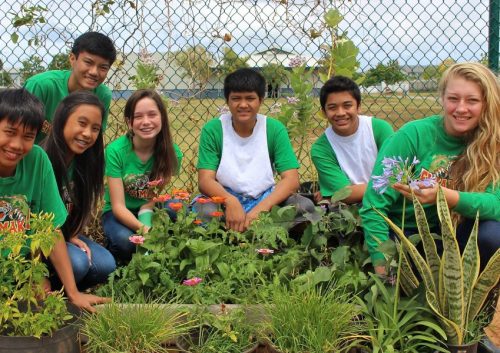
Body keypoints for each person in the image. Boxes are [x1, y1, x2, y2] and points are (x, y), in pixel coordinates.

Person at [360, 62, 500, 274]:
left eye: (472, 100)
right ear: (443, 98)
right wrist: (383, 268)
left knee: (492, 234)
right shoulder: (412, 136)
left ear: (486, 103)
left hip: (452, 235)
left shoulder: (492, 143)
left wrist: (444, 196)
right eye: (453, 99)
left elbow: (496, 205)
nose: (461, 108)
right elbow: (374, 205)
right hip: (404, 233)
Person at [0, 88, 109, 311]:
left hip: (22, 266)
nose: (17, 145)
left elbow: (50, 228)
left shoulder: (37, 160)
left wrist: (72, 292)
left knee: (100, 264)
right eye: (9, 132)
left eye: (28, 136)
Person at [196, 68, 315, 232]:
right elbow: (205, 180)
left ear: (261, 100)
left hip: (264, 198)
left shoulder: (274, 129)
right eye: (236, 98)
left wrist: (261, 209)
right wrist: (230, 201)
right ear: (227, 101)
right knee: (205, 211)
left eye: (250, 98)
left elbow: (291, 179)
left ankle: (266, 238)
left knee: (303, 207)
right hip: (224, 198)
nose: (243, 104)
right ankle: (233, 240)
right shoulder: (213, 129)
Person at [42, 91, 116, 290]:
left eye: (95, 128)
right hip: (38, 241)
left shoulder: (86, 163)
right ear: (62, 121)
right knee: (78, 264)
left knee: (105, 265)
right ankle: (48, 287)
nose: (87, 134)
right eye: (81, 123)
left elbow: (78, 209)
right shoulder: (42, 161)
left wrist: (72, 234)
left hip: (64, 234)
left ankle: (64, 289)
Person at [102, 89, 182, 262]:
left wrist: (146, 218)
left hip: (149, 207)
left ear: (162, 117)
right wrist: (146, 231)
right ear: (129, 122)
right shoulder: (115, 151)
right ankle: (114, 250)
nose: (146, 122)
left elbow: (151, 198)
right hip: (118, 212)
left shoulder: (173, 153)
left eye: (152, 114)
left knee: (180, 208)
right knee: (126, 242)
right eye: (138, 116)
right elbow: (118, 207)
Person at [311, 75, 393, 204]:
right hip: (352, 210)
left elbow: (394, 175)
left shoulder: (379, 129)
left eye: (347, 105)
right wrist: (386, 184)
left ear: (358, 106)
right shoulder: (321, 149)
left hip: (389, 203)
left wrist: (337, 195)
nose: (340, 113)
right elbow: (344, 195)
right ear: (324, 112)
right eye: (332, 107)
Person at [24, 31, 116, 143]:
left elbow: (95, 140)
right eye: (88, 62)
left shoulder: (103, 95)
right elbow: (18, 133)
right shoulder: (41, 86)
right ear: (72, 59)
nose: (94, 72)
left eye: (103, 67)